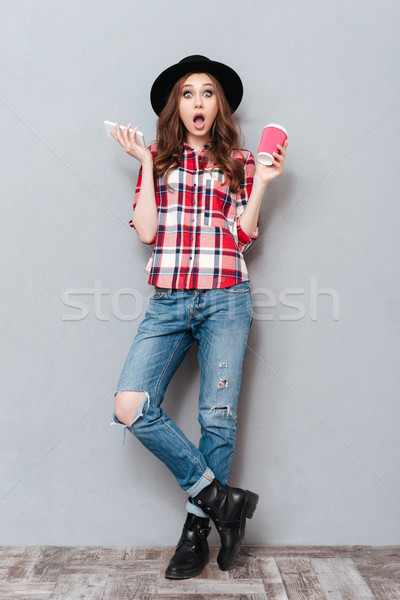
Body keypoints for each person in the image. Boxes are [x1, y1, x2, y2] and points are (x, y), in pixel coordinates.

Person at [109, 55, 288, 579]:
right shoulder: (158, 159)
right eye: (187, 94)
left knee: (217, 417)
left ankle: (195, 532)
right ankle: (220, 500)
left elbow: (243, 237)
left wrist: (262, 183)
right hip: (168, 300)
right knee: (130, 406)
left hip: (226, 298)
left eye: (207, 93)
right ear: (176, 106)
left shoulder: (240, 160)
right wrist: (144, 162)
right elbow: (145, 233)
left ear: (219, 104)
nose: (197, 104)